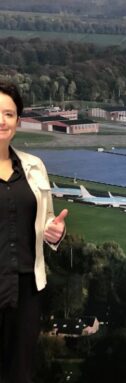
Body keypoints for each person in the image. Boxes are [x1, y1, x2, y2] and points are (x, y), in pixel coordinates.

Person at [0, 81, 67, 383]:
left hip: (27, 289)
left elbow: (48, 220)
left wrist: (55, 233)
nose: (2, 121)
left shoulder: (35, 166)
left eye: (9, 114)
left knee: (20, 374)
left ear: (17, 120)